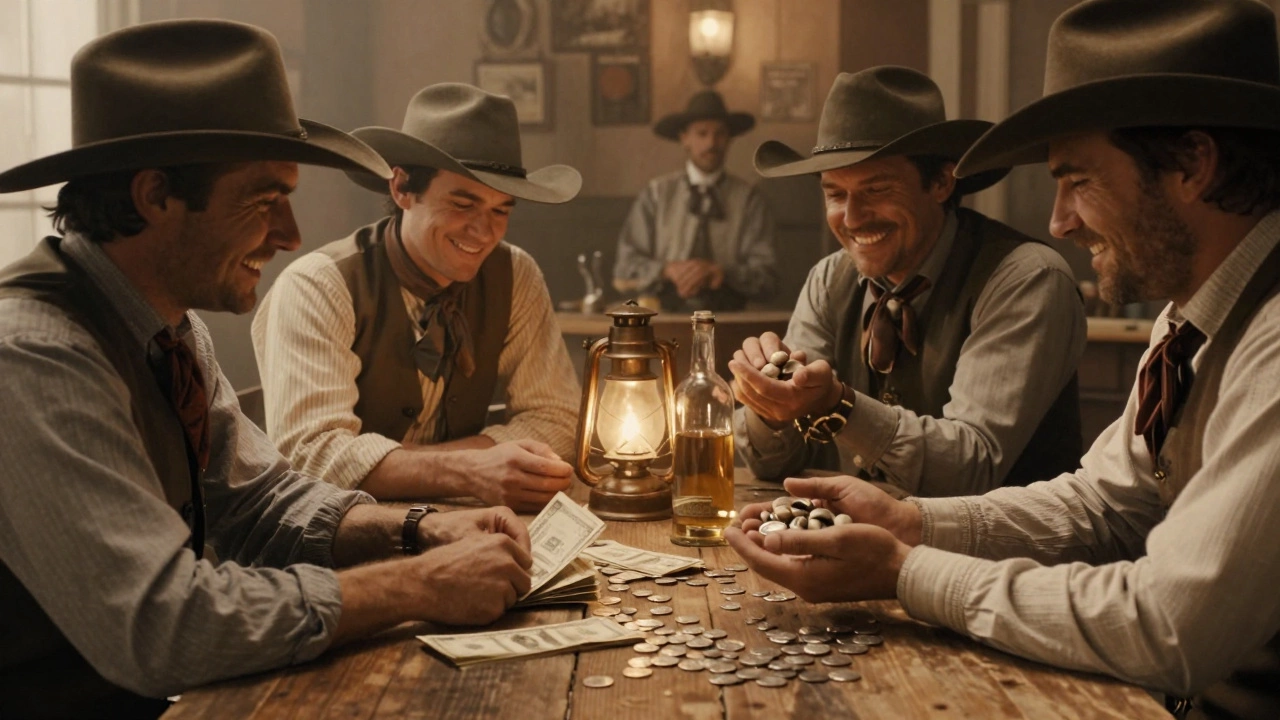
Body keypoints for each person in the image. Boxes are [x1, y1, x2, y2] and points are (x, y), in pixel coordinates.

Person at [727, 1, 1280, 716]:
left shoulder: (1269, 337)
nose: (1059, 221)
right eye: (835, 194)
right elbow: (1104, 505)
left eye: (1079, 180)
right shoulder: (1186, 321)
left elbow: (1170, 625)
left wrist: (907, 571)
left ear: (1193, 165)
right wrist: (910, 523)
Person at [0, 22, 532, 718]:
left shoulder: (171, 327)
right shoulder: (35, 353)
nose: (290, 234)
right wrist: (418, 585)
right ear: (155, 196)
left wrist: (419, 528)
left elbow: (258, 502)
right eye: (262, 201)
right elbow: (163, 625)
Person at [730, 66, 1085, 495]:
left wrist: (840, 405)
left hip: (1001, 541)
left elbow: (971, 468)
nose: (852, 218)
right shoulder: (828, 279)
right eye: (835, 194)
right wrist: (769, 404)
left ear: (941, 183)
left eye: (877, 190)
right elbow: (772, 463)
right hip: (853, 535)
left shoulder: (1025, 278)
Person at [251, 84, 581, 511]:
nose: (484, 233)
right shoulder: (317, 285)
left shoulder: (516, 274)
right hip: (337, 532)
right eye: (462, 204)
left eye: (501, 210)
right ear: (402, 188)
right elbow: (313, 455)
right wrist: (471, 470)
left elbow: (559, 420)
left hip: (466, 521)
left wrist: (436, 468)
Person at [612, 90, 778, 312]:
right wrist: (667, 270)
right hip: (662, 320)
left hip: (729, 320)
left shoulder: (749, 201)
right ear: (684, 138)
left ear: (729, 139)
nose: (711, 143)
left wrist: (722, 272)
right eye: (702, 134)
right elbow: (624, 270)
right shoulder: (656, 195)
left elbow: (767, 278)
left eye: (720, 134)